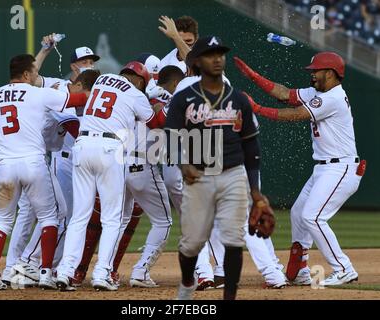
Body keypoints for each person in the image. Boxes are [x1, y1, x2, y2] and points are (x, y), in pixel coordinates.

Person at [234, 51, 365, 286]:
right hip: (325, 168)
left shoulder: (333, 98)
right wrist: (254, 76)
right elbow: (285, 95)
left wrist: (258, 109)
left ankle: (344, 268)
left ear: (331, 73)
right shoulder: (319, 93)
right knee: (299, 214)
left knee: (313, 217)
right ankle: (303, 270)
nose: (312, 74)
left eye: (316, 71)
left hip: (341, 168)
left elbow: (296, 114)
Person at [165, 36, 275, 300]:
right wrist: (183, 164)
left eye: (221, 54)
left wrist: (256, 192)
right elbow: (168, 137)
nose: (217, 59)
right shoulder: (184, 98)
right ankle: (189, 280)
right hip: (199, 176)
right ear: (197, 62)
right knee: (192, 243)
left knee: (234, 240)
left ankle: (229, 296)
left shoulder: (238, 100)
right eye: (210, 54)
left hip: (233, 174)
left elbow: (251, 146)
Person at [56, 61, 166, 291]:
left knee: (79, 216)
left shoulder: (100, 81)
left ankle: (65, 272)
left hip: (82, 145)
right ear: (141, 80)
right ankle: (102, 274)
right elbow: (155, 123)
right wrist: (159, 108)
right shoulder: (136, 94)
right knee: (112, 218)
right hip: (109, 149)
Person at [0, 54, 88, 290]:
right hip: (33, 163)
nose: (35, 76)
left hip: (4, 165)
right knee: (52, 216)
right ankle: (45, 273)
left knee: (1, 221)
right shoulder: (38, 93)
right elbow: (77, 98)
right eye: (34, 73)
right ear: (27, 74)